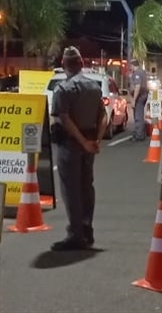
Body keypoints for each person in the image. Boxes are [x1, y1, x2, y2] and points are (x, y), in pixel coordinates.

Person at [50, 46, 108, 251]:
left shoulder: (63, 90)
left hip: (71, 144)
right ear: (82, 64)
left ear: (64, 65)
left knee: (71, 189)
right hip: (89, 143)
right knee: (86, 186)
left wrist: (82, 142)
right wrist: (96, 141)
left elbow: (64, 119)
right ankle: (86, 228)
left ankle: (76, 234)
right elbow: (103, 116)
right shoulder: (94, 87)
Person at [130, 58, 149, 141]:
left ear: (133, 65)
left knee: (138, 116)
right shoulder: (143, 72)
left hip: (140, 96)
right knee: (139, 114)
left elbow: (137, 86)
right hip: (144, 95)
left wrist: (134, 99)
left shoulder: (137, 73)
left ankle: (139, 135)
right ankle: (140, 133)